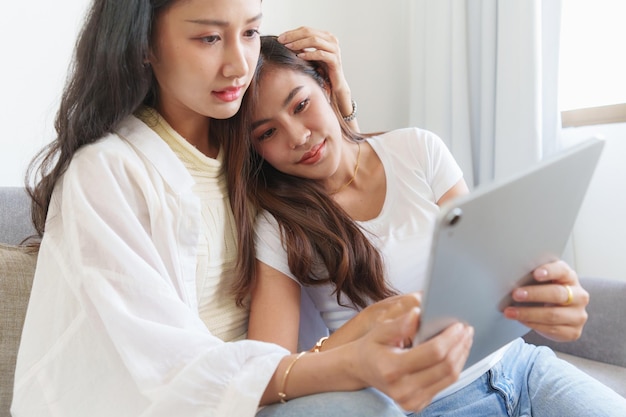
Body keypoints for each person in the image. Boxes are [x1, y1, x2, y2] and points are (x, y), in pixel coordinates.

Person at [11, 1, 476, 417]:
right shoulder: (108, 174)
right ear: (144, 45)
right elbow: (169, 370)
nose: (239, 65)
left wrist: (339, 101)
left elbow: (337, 169)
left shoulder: (248, 145)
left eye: (251, 32)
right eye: (209, 38)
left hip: (270, 384)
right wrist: (348, 359)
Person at [227, 36, 626, 416]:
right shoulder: (279, 226)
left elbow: (490, 270)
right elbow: (265, 373)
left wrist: (556, 298)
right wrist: (366, 325)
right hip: (430, 404)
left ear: (327, 88)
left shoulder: (417, 150)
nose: (297, 136)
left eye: (300, 105)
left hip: (524, 368)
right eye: (268, 133)